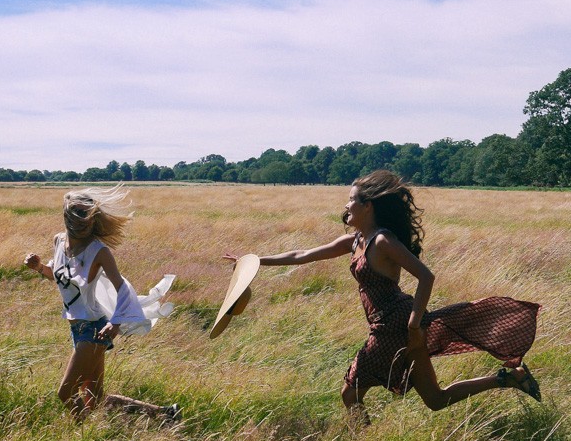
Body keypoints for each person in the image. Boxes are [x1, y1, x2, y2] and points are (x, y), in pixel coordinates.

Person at [228, 170, 541, 425]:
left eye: (351, 200)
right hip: (400, 327)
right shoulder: (356, 241)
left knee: (350, 394)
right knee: (435, 399)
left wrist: (414, 324)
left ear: (369, 206)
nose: (346, 206)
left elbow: (425, 276)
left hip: (393, 326)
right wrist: (252, 260)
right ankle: (508, 380)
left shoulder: (383, 240)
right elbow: (303, 254)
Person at [24, 186, 177, 421]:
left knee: (66, 392)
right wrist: (38, 268)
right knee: (95, 397)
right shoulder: (58, 241)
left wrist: (116, 323)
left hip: (94, 330)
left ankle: (85, 434)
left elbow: (122, 288)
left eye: (87, 220)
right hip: (76, 328)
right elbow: (60, 276)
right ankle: (165, 415)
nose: (83, 226)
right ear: (67, 217)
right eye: (79, 219)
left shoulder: (99, 251)